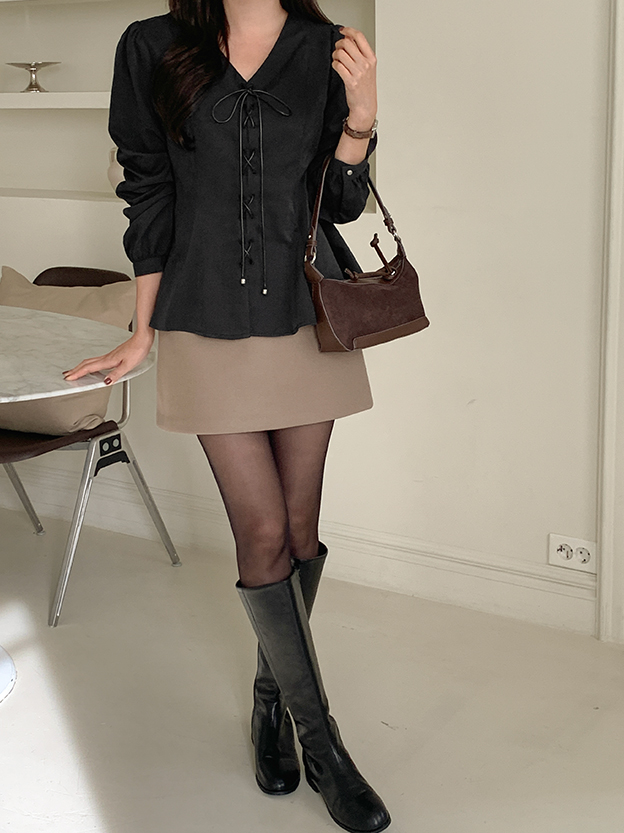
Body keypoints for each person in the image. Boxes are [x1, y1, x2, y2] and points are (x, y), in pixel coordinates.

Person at [63, 1, 390, 830]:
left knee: (301, 531)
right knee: (263, 531)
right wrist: (143, 330)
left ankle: (269, 705)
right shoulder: (151, 46)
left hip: (306, 319)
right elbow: (148, 192)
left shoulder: (326, 48)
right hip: (202, 315)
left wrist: (360, 117)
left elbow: (339, 206)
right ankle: (326, 747)